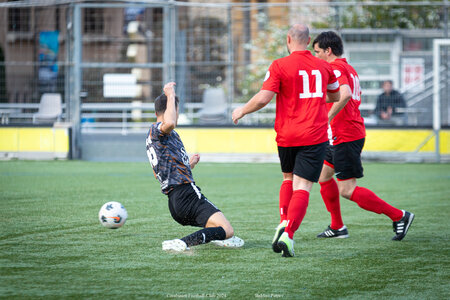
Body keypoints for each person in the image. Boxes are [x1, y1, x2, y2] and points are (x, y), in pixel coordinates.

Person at [232, 24, 340, 257]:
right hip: (314, 134)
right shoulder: (323, 66)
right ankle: (288, 234)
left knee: (288, 178)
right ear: (309, 40)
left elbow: (263, 99)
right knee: (304, 186)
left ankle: (283, 221)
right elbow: (336, 95)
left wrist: (242, 110)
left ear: (288, 39)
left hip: (287, 134)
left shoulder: (279, 65)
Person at [312, 31, 414, 241]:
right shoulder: (347, 67)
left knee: (347, 190)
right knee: (323, 176)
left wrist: (326, 117)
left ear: (328, 51)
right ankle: (337, 226)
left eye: (317, 52)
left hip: (346, 134)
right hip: (342, 134)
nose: (315, 56)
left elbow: (346, 93)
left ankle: (399, 216)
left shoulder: (336, 67)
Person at [146, 82, 244, 252]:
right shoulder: (158, 129)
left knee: (220, 229)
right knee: (228, 230)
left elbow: (160, 174)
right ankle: (182, 243)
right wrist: (170, 95)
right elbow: (169, 123)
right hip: (186, 194)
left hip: (176, 200)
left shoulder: (161, 137)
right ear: (173, 110)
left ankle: (206, 239)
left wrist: (188, 165)